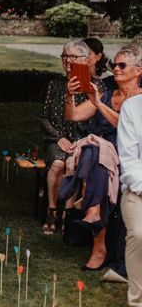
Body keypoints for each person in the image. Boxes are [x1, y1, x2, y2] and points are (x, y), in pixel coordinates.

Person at [60, 46, 142, 270]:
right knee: (94, 150)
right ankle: (94, 213)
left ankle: (98, 240)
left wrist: (98, 105)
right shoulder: (107, 95)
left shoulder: (139, 101)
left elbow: (128, 127)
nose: (115, 69)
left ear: (138, 70)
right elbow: (73, 115)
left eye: (121, 65)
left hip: (126, 153)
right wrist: (70, 95)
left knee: (95, 152)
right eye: (113, 65)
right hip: (99, 153)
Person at [41, 40, 95, 234]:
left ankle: (68, 214)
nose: (68, 60)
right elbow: (45, 117)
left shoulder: (93, 88)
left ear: (85, 60)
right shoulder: (55, 85)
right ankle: (52, 210)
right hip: (56, 139)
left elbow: (95, 122)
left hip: (82, 140)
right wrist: (58, 137)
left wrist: (79, 142)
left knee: (72, 161)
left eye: (73, 56)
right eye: (65, 56)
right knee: (58, 163)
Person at [118, 70, 142, 306]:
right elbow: (129, 159)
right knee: (140, 233)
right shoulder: (132, 108)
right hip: (138, 192)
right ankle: (137, 300)